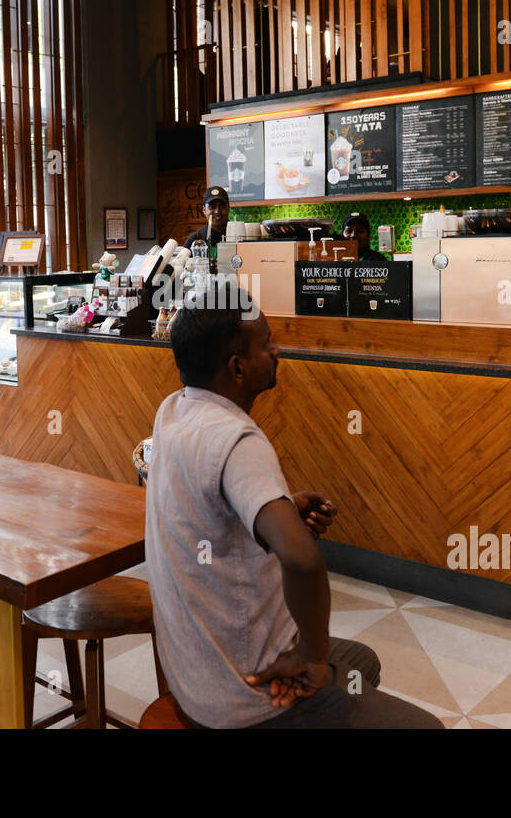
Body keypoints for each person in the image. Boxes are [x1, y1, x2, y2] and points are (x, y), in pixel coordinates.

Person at [146, 292, 443, 728]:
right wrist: (311, 657)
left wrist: (279, 512)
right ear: (237, 367)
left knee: (362, 661)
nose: (277, 350)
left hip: (192, 678)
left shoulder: (172, 411)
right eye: (266, 344)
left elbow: (210, 513)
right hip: (245, 695)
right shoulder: (238, 442)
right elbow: (302, 560)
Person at [183, 185, 230, 256]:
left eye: (222, 206)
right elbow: (180, 265)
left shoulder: (240, 236)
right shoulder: (195, 239)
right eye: (212, 207)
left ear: (228, 208)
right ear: (204, 210)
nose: (217, 212)